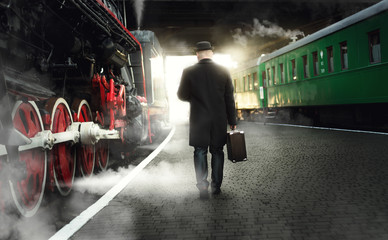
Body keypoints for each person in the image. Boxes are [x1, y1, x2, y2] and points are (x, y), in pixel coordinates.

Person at [177, 41, 237, 199]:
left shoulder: (189, 71)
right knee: (217, 151)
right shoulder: (223, 70)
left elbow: (182, 95)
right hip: (218, 119)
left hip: (198, 118)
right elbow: (229, 98)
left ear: (197, 54)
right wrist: (232, 120)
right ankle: (216, 186)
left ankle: (203, 186)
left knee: (200, 151)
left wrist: (196, 99)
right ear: (211, 53)